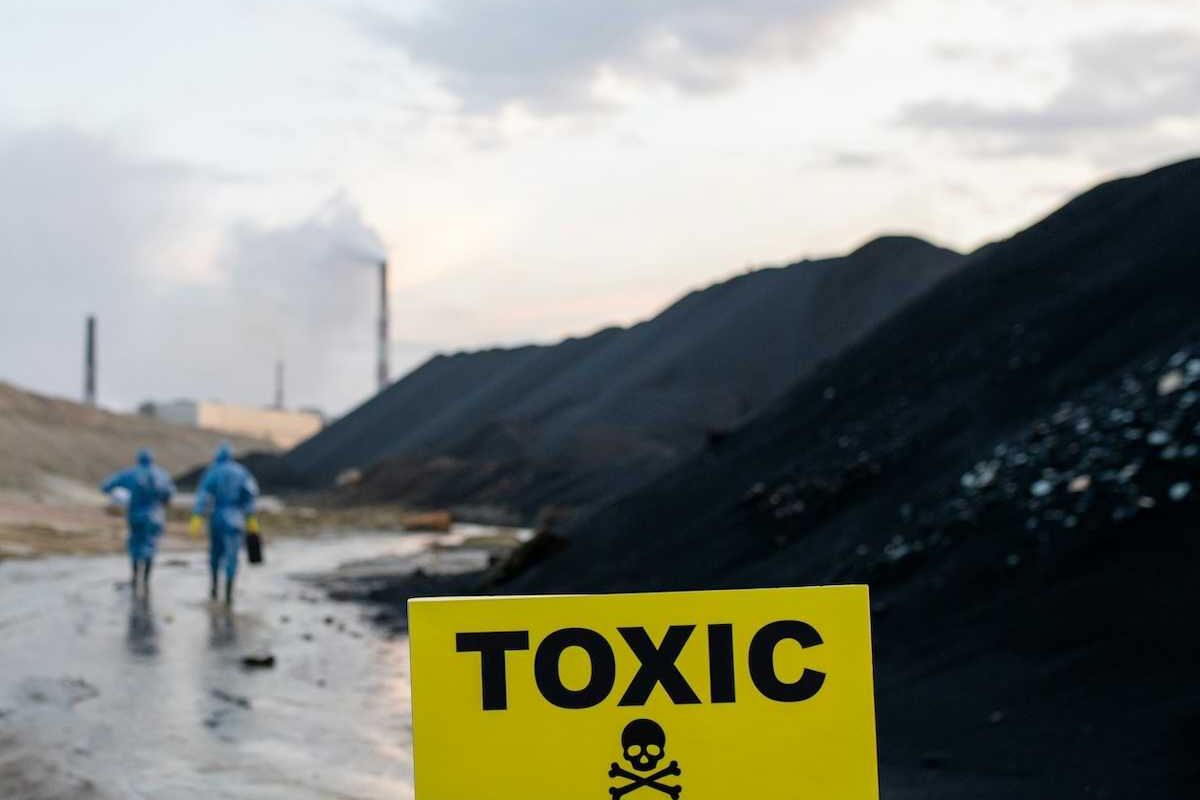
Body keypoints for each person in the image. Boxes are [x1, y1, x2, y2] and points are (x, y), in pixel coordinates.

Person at [190, 443, 260, 605]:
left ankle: (214, 589)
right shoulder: (242, 473)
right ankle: (229, 593)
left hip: (217, 519)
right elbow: (250, 496)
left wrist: (197, 517)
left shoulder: (212, 472)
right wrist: (251, 519)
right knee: (232, 556)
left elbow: (204, 496)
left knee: (215, 554)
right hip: (236, 519)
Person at [101, 448, 175, 595]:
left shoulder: (130, 474)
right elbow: (169, 494)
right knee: (151, 546)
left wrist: (119, 497)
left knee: (135, 545)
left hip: (136, 515)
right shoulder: (162, 475)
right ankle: (146, 580)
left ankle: (135, 578)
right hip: (156, 516)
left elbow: (106, 486)